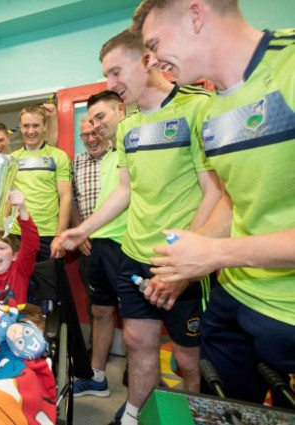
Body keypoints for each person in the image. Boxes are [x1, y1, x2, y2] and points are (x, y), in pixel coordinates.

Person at [134, 0, 295, 407]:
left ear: (195, 14)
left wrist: (216, 253)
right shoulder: (213, 106)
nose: (151, 60)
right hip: (233, 300)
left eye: (154, 43)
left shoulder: (290, 67)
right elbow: (231, 197)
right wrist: (187, 263)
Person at [59, 29, 221, 425]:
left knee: (187, 356)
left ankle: (192, 416)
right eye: (106, 75)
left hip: (179, 259)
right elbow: (125, 192)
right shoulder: (128, 128)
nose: (110, 85)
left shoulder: (197, 107)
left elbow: (215, 192)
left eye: (116, 73)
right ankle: (134, 413)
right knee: (137, 341)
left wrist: (182, 263)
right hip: (134, 254)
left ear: (147, 60)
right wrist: (84, 230)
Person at [70, 91, 128, 399]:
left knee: (137, 319)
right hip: (93, 247)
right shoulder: (78, 162)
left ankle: (140, 379)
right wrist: (81, 234)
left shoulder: (121, 153)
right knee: (101, 312)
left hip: (126, 246)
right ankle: (97, 376)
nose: (92, 136)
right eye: (86, 133)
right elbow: (75, 202)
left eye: (96, 127)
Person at [11, 105, 72, 260]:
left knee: (49, 283)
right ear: (20, 127)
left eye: (36, 125)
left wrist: (60, 235)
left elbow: (66, 197)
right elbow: (7, 198)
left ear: (45, 126)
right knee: (19, 284)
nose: (30, 131)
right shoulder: (11, 159)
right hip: (17, 234)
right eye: (26, 126)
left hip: (48, 234)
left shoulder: (58, 156)